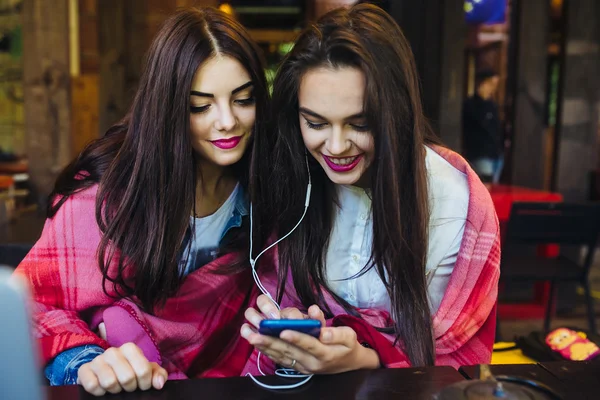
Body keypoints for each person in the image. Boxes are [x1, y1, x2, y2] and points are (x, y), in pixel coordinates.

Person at [13, 7, 268, 395]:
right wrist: (87, 360)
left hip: (238, 383)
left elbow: (288, 298)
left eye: (243, 99)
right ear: (167, 109)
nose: (227, 121)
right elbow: (27, 311)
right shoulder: (105, 196)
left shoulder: (269, 189)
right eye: (200, 106)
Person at [241, 3, 500, 374]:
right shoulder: (294, 178)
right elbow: (276, 289)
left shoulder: (455, 203)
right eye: (315, 123)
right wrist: (286, 321)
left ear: (396, 113)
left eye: (359, 124)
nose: (335, 146)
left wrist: (363, 359)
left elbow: (450, 360)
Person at [463, 69, 504, 183]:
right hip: (480, 154)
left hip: (495, 153)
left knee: (493, 188)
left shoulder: (492, 104)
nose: (493, 88)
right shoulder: (471, 104)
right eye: (491, 84)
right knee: (486, 185)